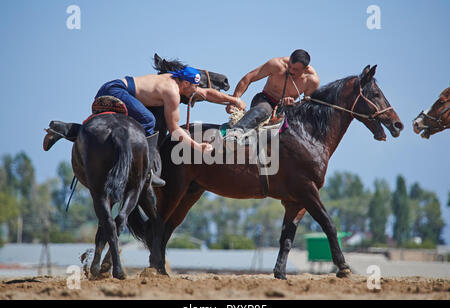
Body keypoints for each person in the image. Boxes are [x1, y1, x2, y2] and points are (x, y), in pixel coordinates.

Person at [43, 66, 246, 187]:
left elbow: (208, 94)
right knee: (149, 121)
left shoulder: (177, 80)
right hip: (116, 91)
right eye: (193, 87)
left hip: (115, 86)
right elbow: (174, 130)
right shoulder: (172, 93)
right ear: (184, 84)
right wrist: (198, 147)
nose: (196, 91)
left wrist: (233, 100)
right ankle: (149, 171)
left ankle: (63, 129)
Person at [225, 49, 320, 142]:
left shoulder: (312, 81)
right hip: (265, 100)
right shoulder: (276, 64)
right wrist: (233, 101)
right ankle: (234, 134)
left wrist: (294, 104)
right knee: (263, 110)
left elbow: (307, 104)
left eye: (295, 69)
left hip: (287, 109)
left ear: (305, 69)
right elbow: (248, 78)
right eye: (289, 66)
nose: (290, 70)